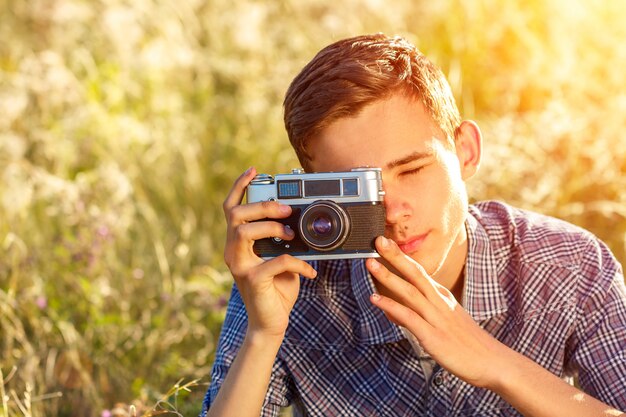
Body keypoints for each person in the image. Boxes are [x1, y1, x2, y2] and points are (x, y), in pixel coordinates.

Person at [201, 33, 626, 416]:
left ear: (466, 152)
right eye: (360, 192)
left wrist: (496, 364)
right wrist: (263, 334)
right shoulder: (287, 279)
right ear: (317, 189)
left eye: (412, 170)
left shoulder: (571, 266)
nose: (392, 212)